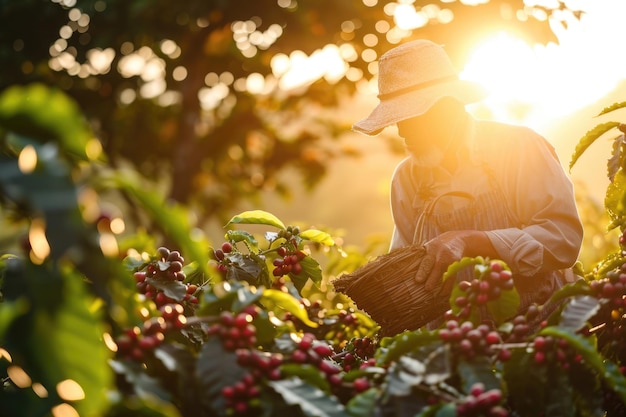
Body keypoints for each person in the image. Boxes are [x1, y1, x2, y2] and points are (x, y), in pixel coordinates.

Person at [352, 39, 583, 325]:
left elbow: (563, 240)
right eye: (397, 120)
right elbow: (409, 267)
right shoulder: (408, 178)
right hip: (460, 349)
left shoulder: (518, 148)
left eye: (409, 118)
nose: (401, 131)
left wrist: (471, 241)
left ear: (447, 108)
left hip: (541, 334)